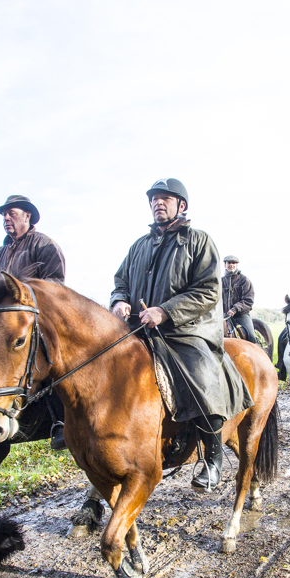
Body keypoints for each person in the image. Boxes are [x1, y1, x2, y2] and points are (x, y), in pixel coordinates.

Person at [110, 178, 252, 489]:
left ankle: (212, 460)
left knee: (200, 375)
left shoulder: (199, 241)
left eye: (165, 199)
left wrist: (164, 311)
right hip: (138, 328)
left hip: (185, 330)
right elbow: (120, 280)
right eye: (154, 199)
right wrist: (119, 299)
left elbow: (207, 292)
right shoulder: (139, 245)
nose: (157, 203)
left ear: (181, 205)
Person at [0, 194, 67, 450]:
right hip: (7, 324)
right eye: (4, 215)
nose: (6, 219)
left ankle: (60, 421)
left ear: (27, 216)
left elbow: (56, 287)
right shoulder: (0, 254)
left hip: (40, 320)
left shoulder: (44, 245)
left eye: (12, 213)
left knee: (51, 362)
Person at [222, 255, 257, 344]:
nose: (231, 265)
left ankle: (255, 354)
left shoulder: (244, 280)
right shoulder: (220, 281)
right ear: (224, 265)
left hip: (240, 314)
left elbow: (248, 301)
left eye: (233, 263)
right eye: (229, 263)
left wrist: (234, 309)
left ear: (237, 265)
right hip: (223, 315)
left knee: (251, 336)